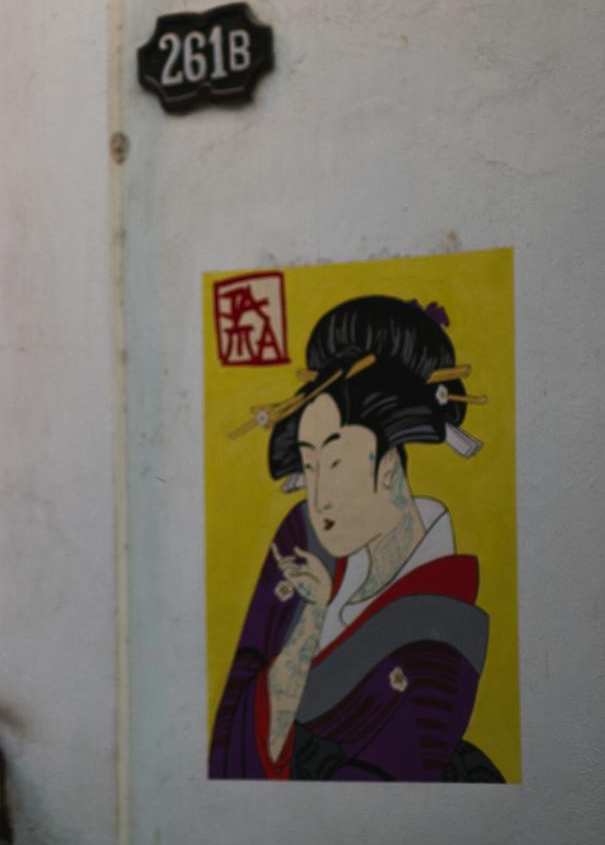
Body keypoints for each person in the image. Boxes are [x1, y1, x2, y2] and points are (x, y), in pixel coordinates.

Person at [209, 296, 503, 781]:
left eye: (336, 462)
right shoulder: (302, 537)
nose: (318, 496)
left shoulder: (446, 629)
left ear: (388, 466)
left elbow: (380, 783)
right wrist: (312, 617)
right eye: (309, 465)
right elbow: (231, 735)